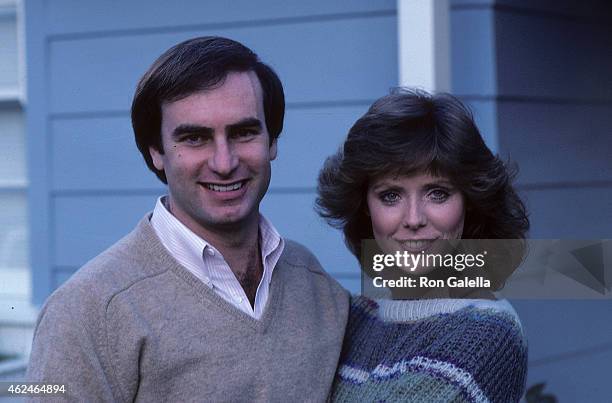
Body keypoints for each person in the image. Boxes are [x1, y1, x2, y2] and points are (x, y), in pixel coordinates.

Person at [27, 36, 349, 402]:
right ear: (156, 153)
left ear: (272, 141)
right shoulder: (88, 311)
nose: (224, 163)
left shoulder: (316, 287)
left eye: (244, 132)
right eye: (195, 138)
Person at [316, 89, 529, 402]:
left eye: (438, 193)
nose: (413, 219)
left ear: (470, 201)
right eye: (390, 195)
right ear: (364, 205)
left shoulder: (486, 333)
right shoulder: (356, 317)